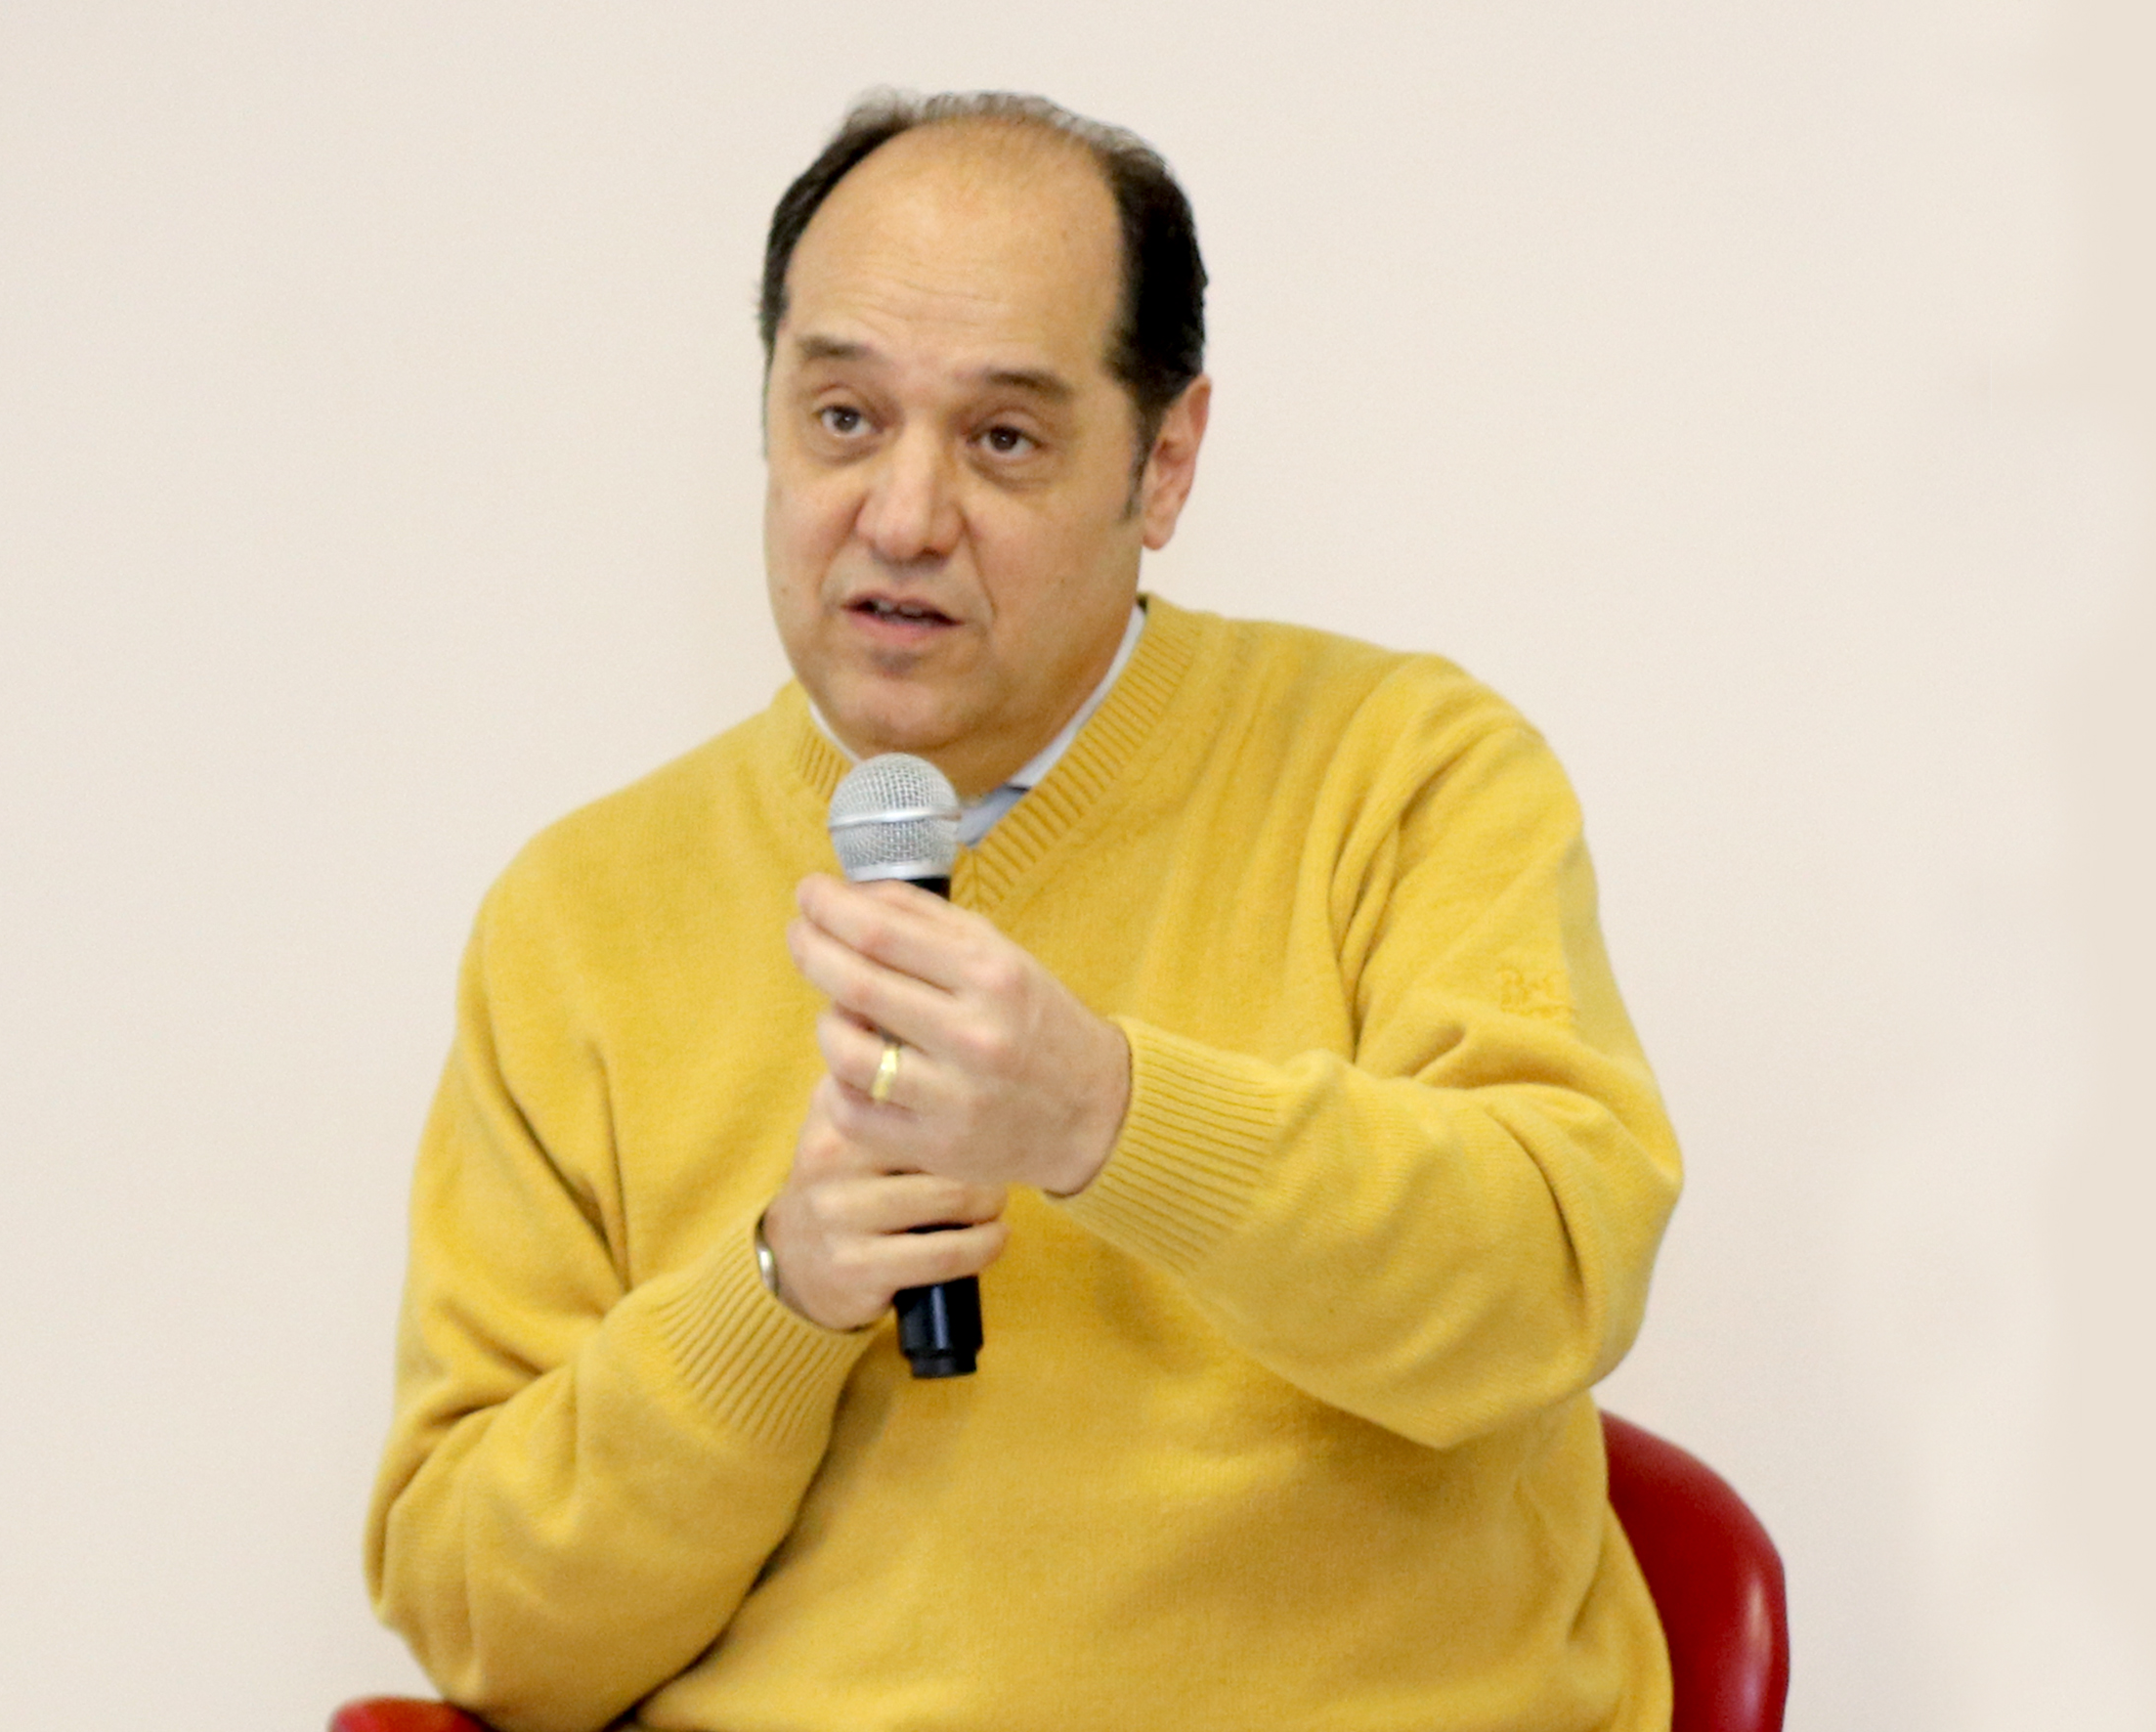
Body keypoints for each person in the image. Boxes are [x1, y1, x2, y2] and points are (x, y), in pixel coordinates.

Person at [367, 91, 1684, 1732]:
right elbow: (489, 1628)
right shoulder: (578, 916)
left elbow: (1552, 1282)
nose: (903, 517)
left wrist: (1108, 1118)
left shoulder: (1405, 771)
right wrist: (778, 1295)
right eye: (843, 418)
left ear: (1164, 462)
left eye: (1002, 440)